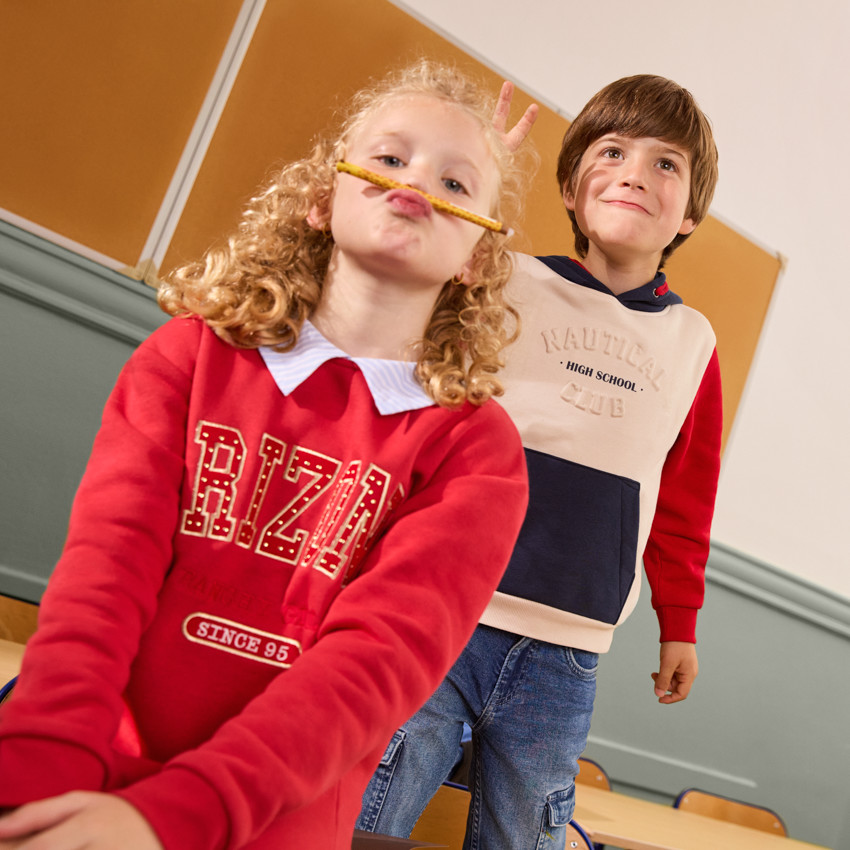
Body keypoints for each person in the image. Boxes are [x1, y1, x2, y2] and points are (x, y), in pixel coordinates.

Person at [0, 61, 531, 850]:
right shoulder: (186, 358)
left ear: (476, 260)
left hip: (269, 822)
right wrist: (43, 769)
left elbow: (370, 669)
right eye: (390, 157)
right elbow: (102, 580)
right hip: (85, 774)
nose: (416, 181)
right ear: (322, 197)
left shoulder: (477, 451)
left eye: (455, 182)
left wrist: (174, 815)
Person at [357, 73, 722, 849]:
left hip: (567, 655)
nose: (634, 173)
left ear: (690, 212)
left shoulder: (693, 342)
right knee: (368, 813)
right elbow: (415, 266)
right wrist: (477, 170)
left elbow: (687, 497)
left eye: (665, 164)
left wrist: (679, 625)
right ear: (568, 186)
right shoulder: (505, 277)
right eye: (612, 151)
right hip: (448, 612)